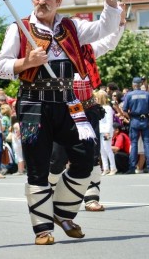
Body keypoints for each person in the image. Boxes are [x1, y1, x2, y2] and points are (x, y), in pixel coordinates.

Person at [0, 0, 121, 245]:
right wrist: (24, 62)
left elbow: (105, 29)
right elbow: (0, 67)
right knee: (39, 165)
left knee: (85, 154)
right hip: (32, 105)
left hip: (67, 102)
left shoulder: (71, 27)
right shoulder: (20, 29)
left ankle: (61, 212)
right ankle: (43, 230)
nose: (41, 2)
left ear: (59, 0)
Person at [49, 15, 125, 212]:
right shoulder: (54, 52)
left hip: (88, 109)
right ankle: (50, 194)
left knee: (91, 154)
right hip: (63, 110)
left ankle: (91, 197)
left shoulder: (89, 50)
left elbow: (109, 42)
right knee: (57, 156)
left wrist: (120, 24)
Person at [122, 77, 149, 174]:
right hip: (145, 120)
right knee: (147, 144)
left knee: (134, 144)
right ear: (140, 85)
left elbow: (124, 111)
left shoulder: (129, 95)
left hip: (134, 120)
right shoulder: (147, 94)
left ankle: (132, 167)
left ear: (133, 84)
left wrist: (130, 118)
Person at [97, 91, 117, 176]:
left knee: (107, 149)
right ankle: (106, 168)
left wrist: (108, 132)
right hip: (100, 131)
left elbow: (109, 121)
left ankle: (113, 167)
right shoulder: (99, 107)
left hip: (106, 131)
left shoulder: (108, 108)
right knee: (102, 150)